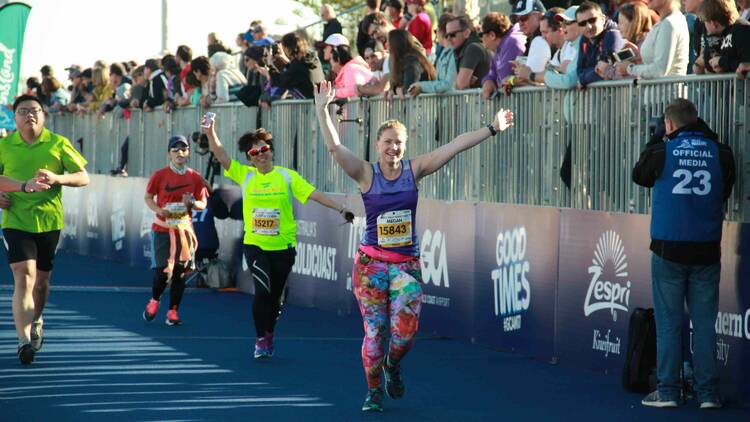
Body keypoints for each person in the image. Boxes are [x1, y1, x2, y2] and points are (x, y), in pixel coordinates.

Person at [314, 80, 514, 412]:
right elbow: (335, 148)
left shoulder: (414, 170)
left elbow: (453, 146)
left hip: (405, 265)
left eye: (399, 143)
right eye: (388, 142)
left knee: (404, 334)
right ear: (377, 144)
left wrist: (492, 128)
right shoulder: (365, 173)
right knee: (375, 334)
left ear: (405, 146)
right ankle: (374, 389)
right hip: (371, 267)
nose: (394, 148)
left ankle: (393, 366)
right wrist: (322, 110)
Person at [203, 114, 353, 359]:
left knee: (274, 299)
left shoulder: (286, 176)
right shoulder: (246, 175)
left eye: (263, 149)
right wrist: (210, 132)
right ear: (249, 159)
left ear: (270, 150)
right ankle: (260, 339)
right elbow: (221, 155)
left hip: (283, 247)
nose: (260, 154)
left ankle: (269, 331)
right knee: (262, 292)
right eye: (254, 153)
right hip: (256, 245)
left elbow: (314, 194)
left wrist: (340, 208)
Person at [632, 98, 735, 409]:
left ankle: (668, 391)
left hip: (668, 249)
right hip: (706, 248)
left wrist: (656, 136)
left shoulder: (662, 150)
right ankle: (708, 394)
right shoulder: (721, 152)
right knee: (705, 325)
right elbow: (725, 187)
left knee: (668, 322)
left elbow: (640, 175)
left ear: (669, 124)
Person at [0, 95, 89, 365]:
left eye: (35, 110)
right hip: (16, 220)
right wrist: (20, 187)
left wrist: (58, 178)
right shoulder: (5, 145)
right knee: (23, 276)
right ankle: (23, 341)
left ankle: (37, 318)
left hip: (49, 221)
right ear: (14, 118)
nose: (30, 115)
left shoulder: (57, 143)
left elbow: (83, 176)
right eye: (24, 111)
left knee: (41, 283)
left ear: (43, 115)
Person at [142, 135, 209, 326]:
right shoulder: (160, 175)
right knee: (163, 272)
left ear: (188, 152)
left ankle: (173, 311)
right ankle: (154, 300)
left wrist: (193, 203)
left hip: (183, 230)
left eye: (184, 149)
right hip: (162, 229)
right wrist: (159, 210)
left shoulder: (195, 177)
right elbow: (148, 197)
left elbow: (203, 203)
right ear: (169, 153)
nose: (180, 153)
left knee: (180, 272)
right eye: (176, 149)